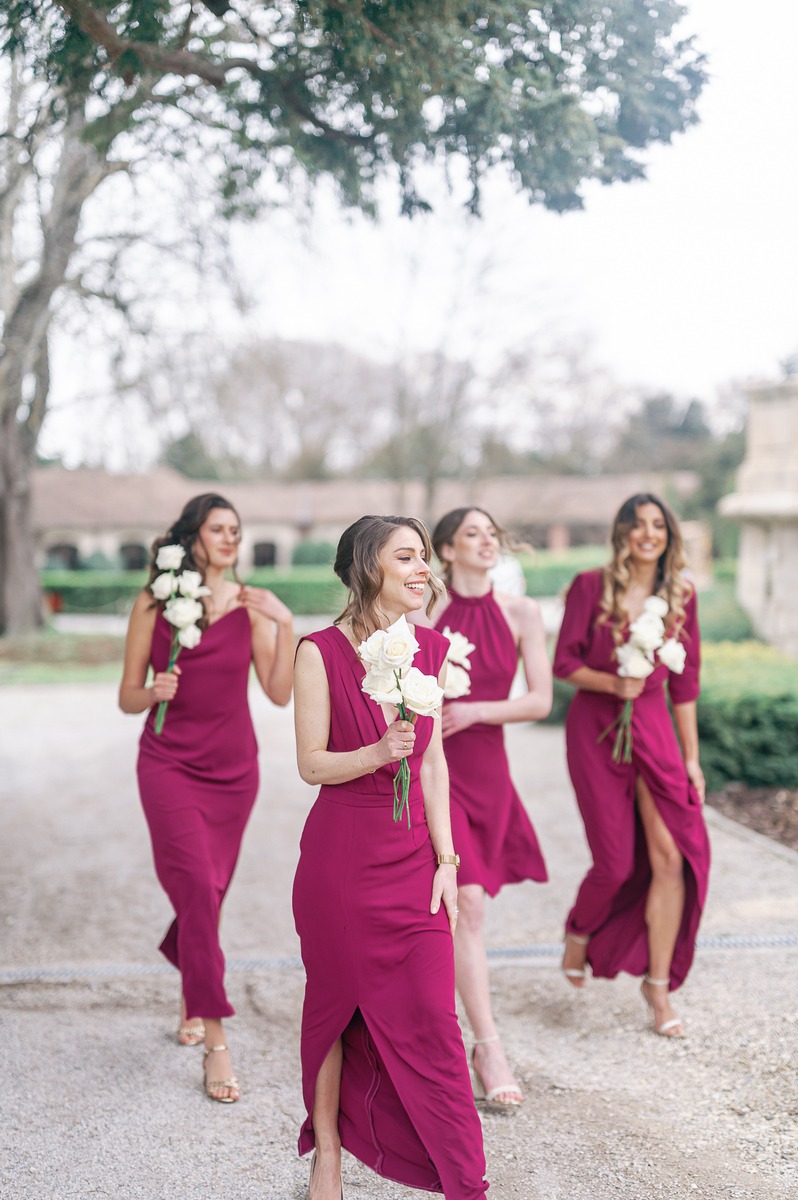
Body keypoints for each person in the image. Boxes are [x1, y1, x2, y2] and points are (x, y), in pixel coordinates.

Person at [292, 515, 488, 1200]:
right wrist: (376, 755)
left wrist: (448, 862)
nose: (422, 569)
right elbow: (310, 764)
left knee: (436, 1024)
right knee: (335, 1012)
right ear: (366, 566)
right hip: (340, 864)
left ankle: (467, 1183)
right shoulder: (317, 651)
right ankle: (326, 1155)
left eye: (425, 558)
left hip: (415, 865)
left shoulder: (430, 647)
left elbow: (433, 763)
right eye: (406, 556)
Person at [119, 493, 294, 1101]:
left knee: (209, 892)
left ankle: (189, 985)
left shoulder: (251, 607)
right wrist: (155, 689)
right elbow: (127, 695)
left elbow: (277, 693)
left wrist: (286, 622)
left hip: (233, 770)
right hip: (167, 762)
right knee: (195, 884)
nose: (229, 538)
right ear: (192, 537)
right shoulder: (156, 601)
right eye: (218, 529)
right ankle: (217, 1044)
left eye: (236, 530)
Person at [553, 494, 710, 1037]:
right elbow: (564, 662)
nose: (649, 534)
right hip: (596, 730)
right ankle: (580, 930)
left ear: (669, 534)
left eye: (658, 525)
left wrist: (692, 759)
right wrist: (610, 682)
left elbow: (685, 687)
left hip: (655, 730)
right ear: (622, 532)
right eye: (638, 524)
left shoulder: (682, 596)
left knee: (671, 857)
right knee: (615, 862)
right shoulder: (589, 586)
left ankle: (659, 988)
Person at [424, 507, 552, 1112]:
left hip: (488, 769)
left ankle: (478, 1042)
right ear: (446, 550)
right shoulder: (425, 615)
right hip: (434, 772)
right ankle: (482, 1043)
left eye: (491, 533)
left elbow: (540, 700)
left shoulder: (522, 613)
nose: (486, 541)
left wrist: (474, 711)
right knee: (462, 903)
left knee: (467, 906)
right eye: (471, 534)